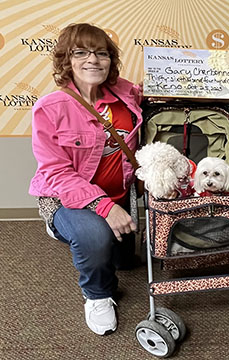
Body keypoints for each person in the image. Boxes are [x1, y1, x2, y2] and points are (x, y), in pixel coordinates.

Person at [29, 23, 144, 335]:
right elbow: (56, 173)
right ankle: (97, 295)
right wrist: (105, 208)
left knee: (123, 261)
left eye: (101, 53)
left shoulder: (126, 94)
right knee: (95, 239)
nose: (93, 60)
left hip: (120, 196)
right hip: (70, 201)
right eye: (81, 52)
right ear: (67, 60)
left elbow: (167, 89)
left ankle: (103, 239)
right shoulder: (50, 108)